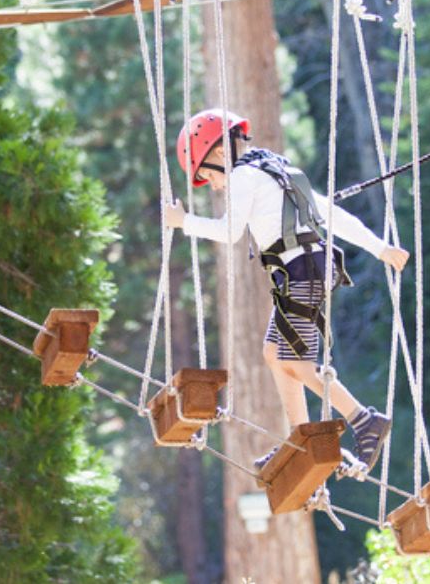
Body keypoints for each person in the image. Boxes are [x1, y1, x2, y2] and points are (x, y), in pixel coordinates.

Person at [163, 109, 409, 470]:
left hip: (301, 272)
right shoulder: (277, 170)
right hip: (304, 270)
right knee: (275, 354)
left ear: (218, 154)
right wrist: (379, 247)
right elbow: (331, 214)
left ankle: (363, 420)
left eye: (206, 176)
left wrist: (183, 222)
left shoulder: (243, 177)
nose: (213, 185)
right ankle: (303, 438)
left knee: (293, 360)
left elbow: (230, 232)